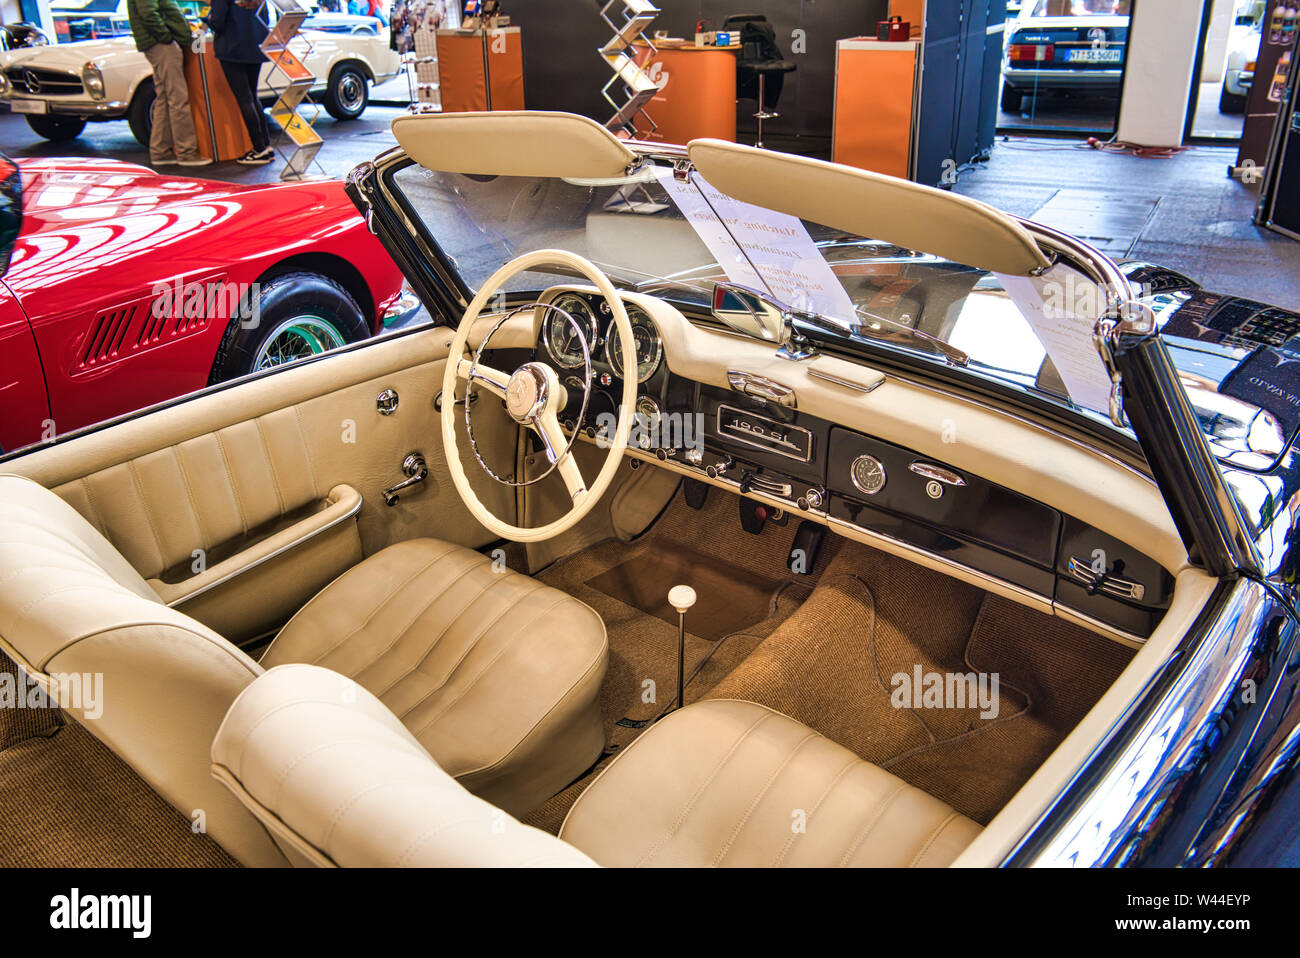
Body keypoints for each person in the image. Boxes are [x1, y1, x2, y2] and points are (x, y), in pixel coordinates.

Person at [127, 0, 210, 166]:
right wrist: (166, 38)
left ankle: (160, 151)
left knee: (165, 98)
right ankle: (186, 152)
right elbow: (149, 14)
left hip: (157, 44)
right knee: (177, 98)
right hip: (161, 45)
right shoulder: (163, 41)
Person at [205, 0, 273, 165]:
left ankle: (259, 149)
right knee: (252, 96)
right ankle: (265, 145)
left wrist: (206, 19)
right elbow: (267, 18)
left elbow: (218, 22)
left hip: (232, 49)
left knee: (244, 99)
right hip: (255, 45)